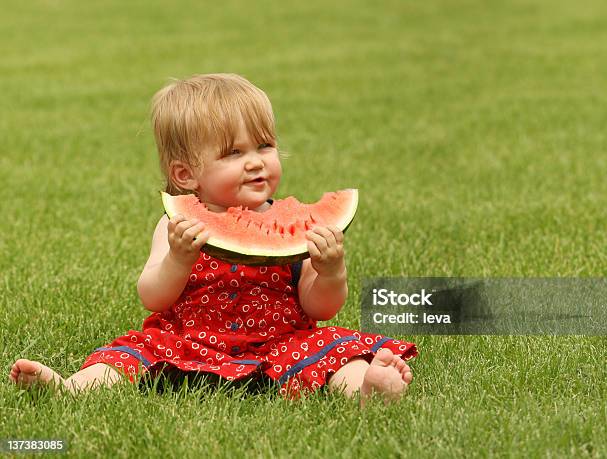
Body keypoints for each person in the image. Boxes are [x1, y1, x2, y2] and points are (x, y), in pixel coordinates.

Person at [9, 73, 417, 405]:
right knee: (129, 355)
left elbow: (320, 307)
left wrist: (330, 272)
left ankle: (366, 387)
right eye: (233, 153)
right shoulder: (176, 227)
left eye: (265, 145)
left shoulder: (294, 226)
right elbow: (152, 296)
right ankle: (70, 387)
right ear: (186, 175)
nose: (256, 161)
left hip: (281, 340)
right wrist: (178, 259)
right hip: (189, 342)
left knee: (331, 353)